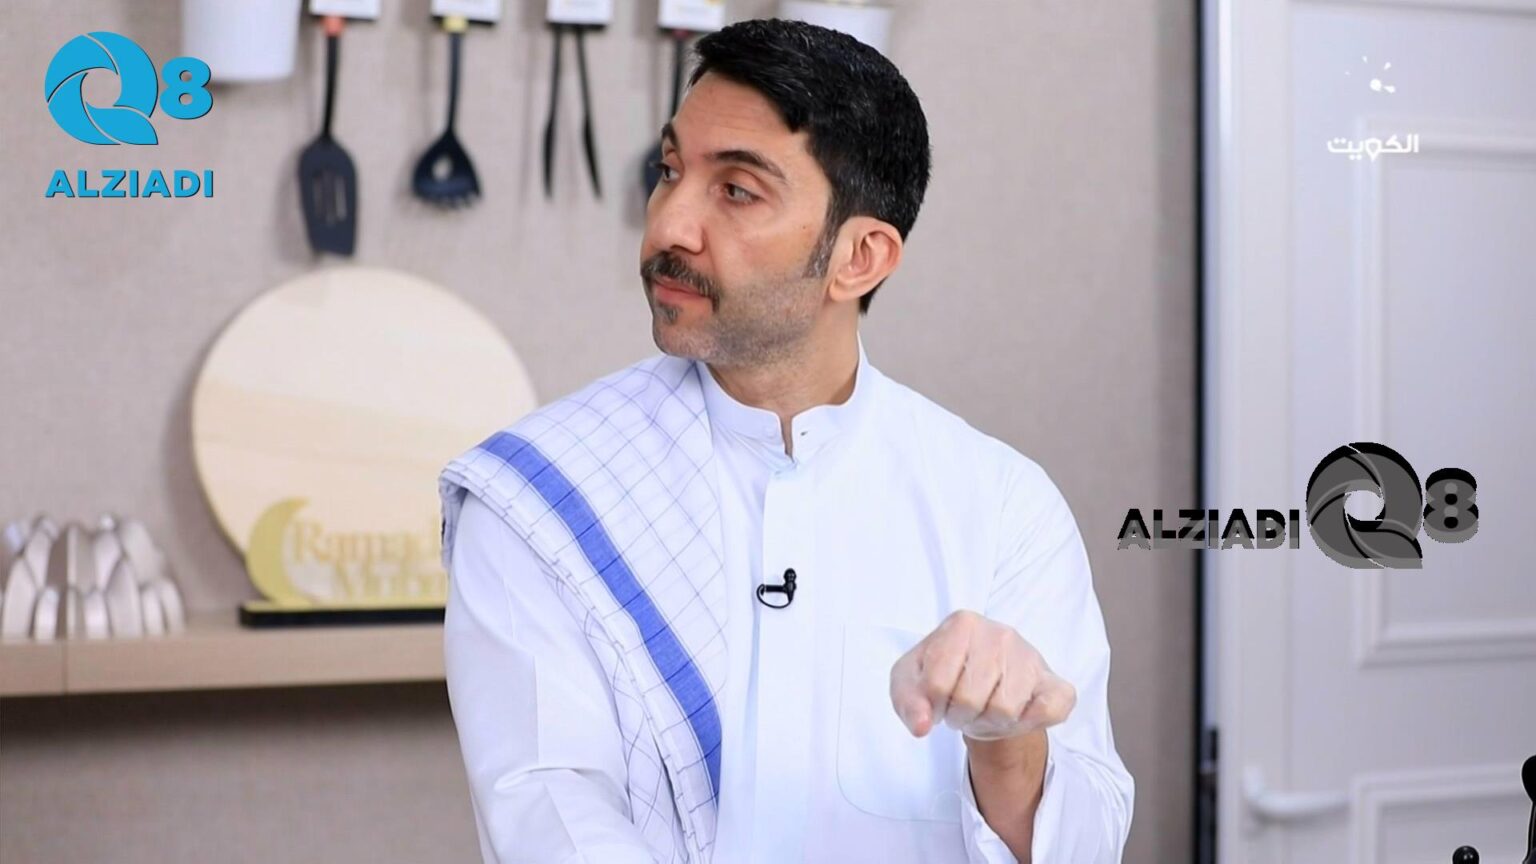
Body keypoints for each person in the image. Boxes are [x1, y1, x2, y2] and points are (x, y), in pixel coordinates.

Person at [438, 18, 1133, 864]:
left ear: (860, 257)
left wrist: (1007, 741)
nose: (668, 226)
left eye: (736, 191)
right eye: (669, 171)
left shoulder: (1000, 506)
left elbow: (1083, 846)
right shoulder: (538, 498)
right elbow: (552, 822)